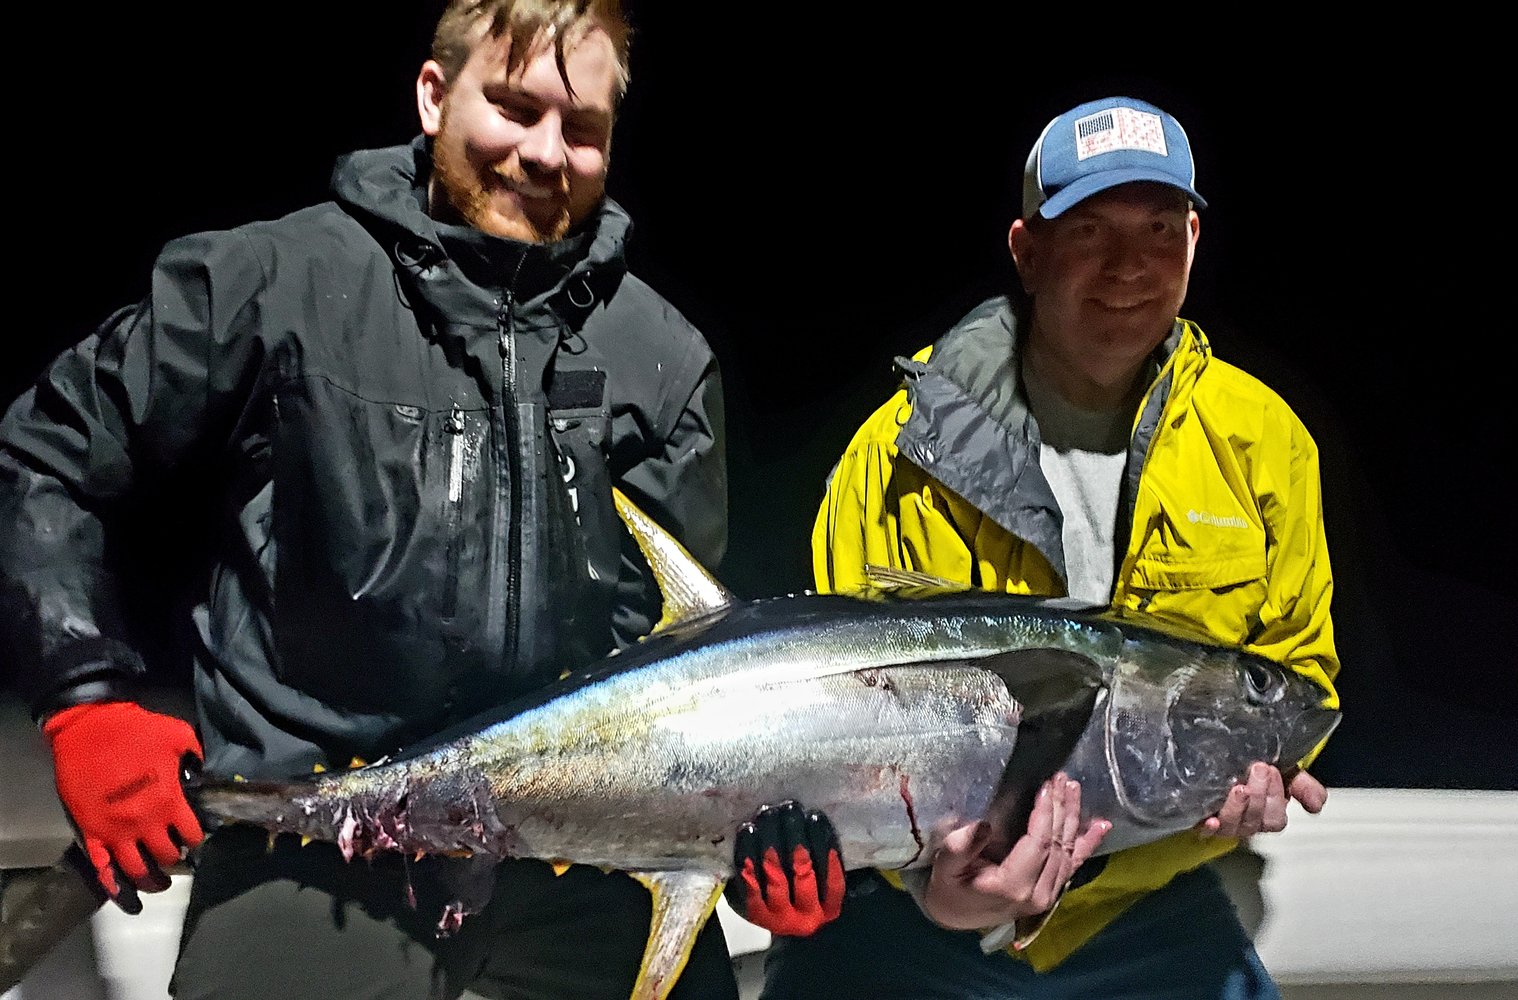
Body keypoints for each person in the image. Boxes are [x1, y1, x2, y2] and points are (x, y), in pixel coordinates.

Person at [0, 2, 740, 998]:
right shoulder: (270, 283)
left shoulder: (662, 359)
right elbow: (47, 453)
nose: (545, 151)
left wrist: (754, 831)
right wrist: (86, 699)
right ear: (435, 97)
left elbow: (669, 660)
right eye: (514, 108)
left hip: (572, 860)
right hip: (311, 846)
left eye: (583, 128)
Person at [746, 96, 1341, 999]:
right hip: (910, 921)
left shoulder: (1263, 443)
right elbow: (843, 710)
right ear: (1027, 251)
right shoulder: (899, 450)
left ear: (1193, 242)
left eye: (1158, 229)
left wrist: (1271, 769)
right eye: (1091, 230)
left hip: (1136, 905)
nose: (1129, 266)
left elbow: (1298, 679)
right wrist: (930, 887)